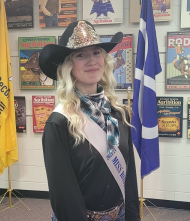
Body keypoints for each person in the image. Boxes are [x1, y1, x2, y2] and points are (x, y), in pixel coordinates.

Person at [39, 20, 140, 221]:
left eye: (96, 53)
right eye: (81, 55)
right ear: (68, 65)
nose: (92, 61)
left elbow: (129, 178)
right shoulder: (59, 123)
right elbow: (63, 195)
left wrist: (132, 217)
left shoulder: (119, 114)